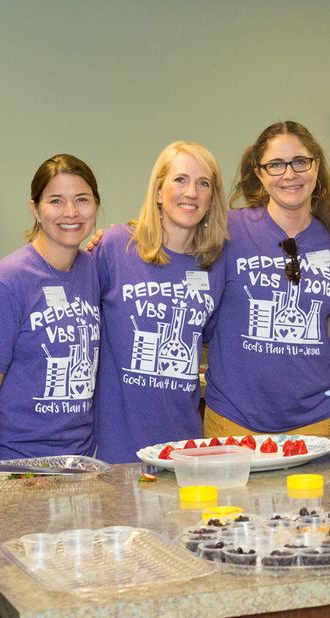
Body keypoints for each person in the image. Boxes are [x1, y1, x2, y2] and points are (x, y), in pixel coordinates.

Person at [203, 121, 330, 439]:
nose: (290, 174)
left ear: (316, 166)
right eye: (275, 164)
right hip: (233, 418)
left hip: (311, 422)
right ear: (259, 173)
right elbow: (173, 240)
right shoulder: (228, 230)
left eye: (300, 161)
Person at [0, 154, 101, 461]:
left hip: (77, 464)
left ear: (96, 206)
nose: (71, 212)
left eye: (82, 199)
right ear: (35, 209)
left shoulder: (95, 271)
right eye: (56, 201)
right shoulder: (6, 281)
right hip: (13, 464)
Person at [93, 141, 228, 462]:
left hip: (182, 446)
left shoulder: (215, 264)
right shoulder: (115, 247)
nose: (191, 192)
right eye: (180, 180)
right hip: (114, 446)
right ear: (157, 191)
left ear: (211, 199)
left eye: (203, 184)